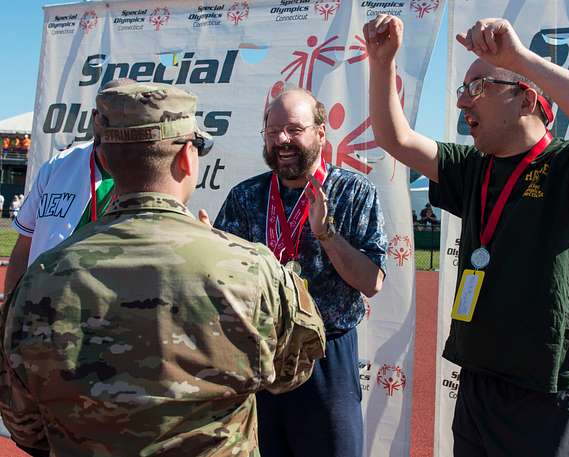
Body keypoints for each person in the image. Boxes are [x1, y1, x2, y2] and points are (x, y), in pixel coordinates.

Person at [0, 81, 326, 457]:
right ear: (187, 157)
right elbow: (292, 373)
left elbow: (24, 423)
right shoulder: (252, 270)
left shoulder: (40, 280)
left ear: (105, 160)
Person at [365, 15, 569, 457]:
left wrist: (520, 59)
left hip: (548, 387)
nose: (461, 105)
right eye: (460, 90)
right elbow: (395, 138)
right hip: (479, 376)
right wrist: (382, 64)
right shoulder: (473, 166)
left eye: (477, 89)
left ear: (525, 99)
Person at [213, 87, 387, 457]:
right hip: (260, 355)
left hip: (326, 357)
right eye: (273, 131)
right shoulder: (246, 197)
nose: (282, 140)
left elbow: (371, 282)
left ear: (321, 133)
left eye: (293, 129)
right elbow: (222, 285)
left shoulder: (352, 192)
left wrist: (326, 234)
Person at [3, 79, 137, 295]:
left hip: (106, 314)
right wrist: (9, 306)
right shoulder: (58, 165)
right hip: (40, 307)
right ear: (95, 118)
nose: (116, 126)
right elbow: (24, 246)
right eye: (109, 116)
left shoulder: (150, 172)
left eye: (127, 117)